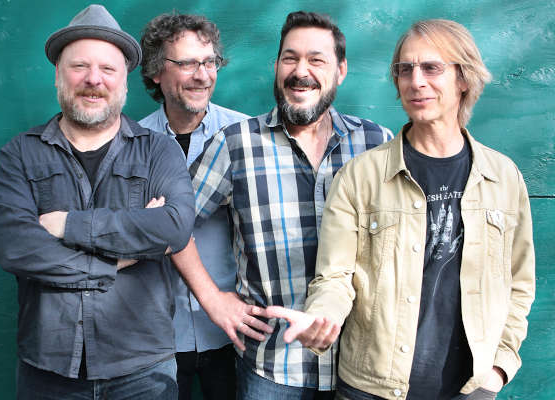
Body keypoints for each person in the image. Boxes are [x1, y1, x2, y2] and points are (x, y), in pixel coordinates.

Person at [267, 19, 535, 400]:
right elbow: (334, 277)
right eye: (405, 69)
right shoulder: (360, 176)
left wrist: (496, 372)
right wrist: (322, 316)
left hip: (469, 389)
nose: (415, 81)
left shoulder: (503, 178)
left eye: (431, 68)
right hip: (370, 389)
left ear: (464, 78)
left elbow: (519, 285)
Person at [0, 5, 196, 398]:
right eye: (79, 66)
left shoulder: (159, 151)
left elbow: (174, 228)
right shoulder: (20, 155)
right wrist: (117, 260)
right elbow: (18, 248)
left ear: (125, 82)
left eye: (107, 69)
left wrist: (67, 225)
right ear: (57, 75)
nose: (93, 79)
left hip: (143, 372)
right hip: (48, 371)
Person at [183, 11, 392, 399]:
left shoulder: (376, 144)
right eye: (290, 58)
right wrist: (212, 300)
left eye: (317, 60)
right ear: (276, 66)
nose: (300, 71)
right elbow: (170, 226)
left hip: (360, 370)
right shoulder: (236, 144)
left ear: (341, 70)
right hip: (272, 369)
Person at [138, 13, 249, 400]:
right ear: (156, 71)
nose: (202, 75)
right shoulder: (131, 145)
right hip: (157, 337)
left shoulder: (246, 136)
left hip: (234, 330)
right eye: (186, 63)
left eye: (209, 62)